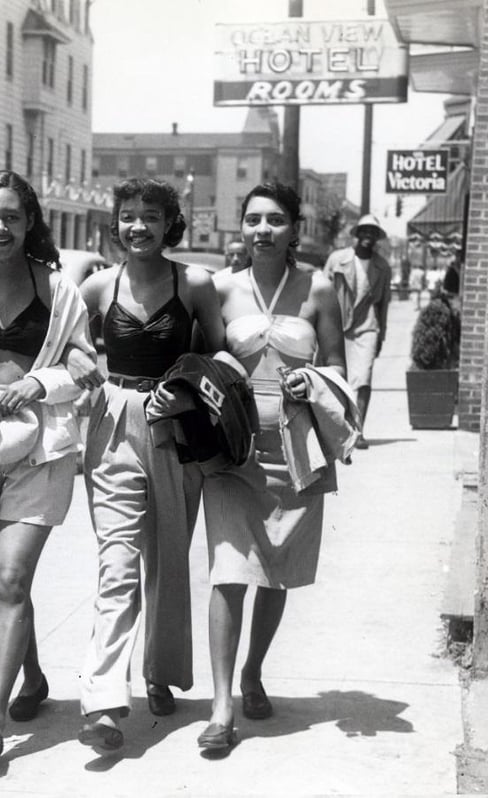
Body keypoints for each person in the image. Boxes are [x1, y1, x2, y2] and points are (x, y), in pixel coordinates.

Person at [63, 178, 226, 753]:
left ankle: (160, 671)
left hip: (175, 426)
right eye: (128, 216)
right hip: (113, 422)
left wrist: (189, 389)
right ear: (115, 224)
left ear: (169, 224)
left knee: (168, 559)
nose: (138, 226)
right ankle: (104, 700)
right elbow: (63, 342)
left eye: (151, 216)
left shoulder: (195, 284)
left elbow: (218, 354)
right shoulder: (96, 286)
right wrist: (79, 357)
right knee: (118, 564)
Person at [0, 170, 96, 759]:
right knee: (6, 581)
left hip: (42, 444)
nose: (1, 228)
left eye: (12, 216)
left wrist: (41, 381)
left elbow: (85, 369)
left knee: (11, 577)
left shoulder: (59, 291)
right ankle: (31, 678)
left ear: (30, 220)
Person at [202, 183, 350, 753]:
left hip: (297, 451)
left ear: (294, 229)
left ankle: (253, 671)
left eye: (275, 220)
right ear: (241, 227)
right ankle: (221, 707)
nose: (262, 230)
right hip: (233, 452)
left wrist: (312, 380)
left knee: (276, 571)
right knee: (229, 573)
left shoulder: (318, 288)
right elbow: (198, 367)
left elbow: (337, 365)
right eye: (253, 219)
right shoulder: (219, 288)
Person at [322, 213, 391, 449]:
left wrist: (381, 336)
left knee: (363, 378)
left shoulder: (382, 267)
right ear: (358, 234)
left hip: (367, 326)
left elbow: (384, 304)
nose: (368, 236)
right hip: (338, 325)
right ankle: (337, 430)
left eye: (373, 232)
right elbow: (321, 294)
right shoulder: (337, 259)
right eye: (365, 231)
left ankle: (358, 431)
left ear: (377, 237)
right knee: (336, 378)